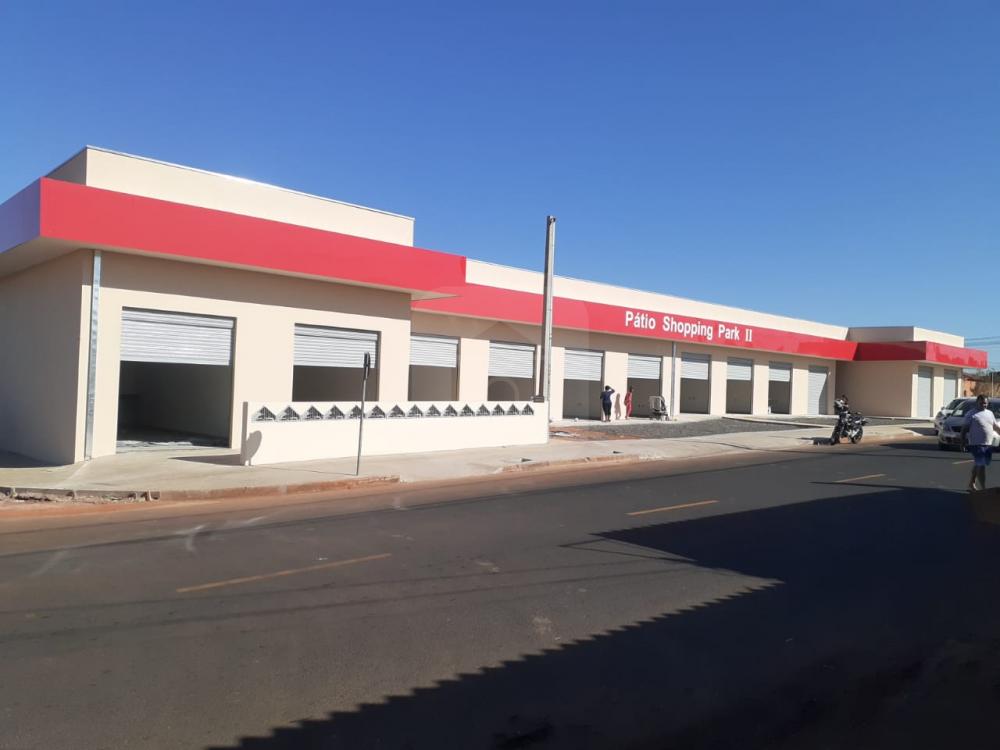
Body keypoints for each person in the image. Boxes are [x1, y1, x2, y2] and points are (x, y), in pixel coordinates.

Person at [961, 394, 998, 491]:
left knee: (979, 464)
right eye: (981, 403)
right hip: (976, 444)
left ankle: (971, 483)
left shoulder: (989, 413)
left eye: (985, 403)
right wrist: (963, 442)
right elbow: (964, 429)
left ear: (987, 403)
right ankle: (983, 489)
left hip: (988, 444)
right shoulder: (971, 414)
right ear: (977, 402)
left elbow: (995, 426)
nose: (983, 405)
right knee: (981, 465)